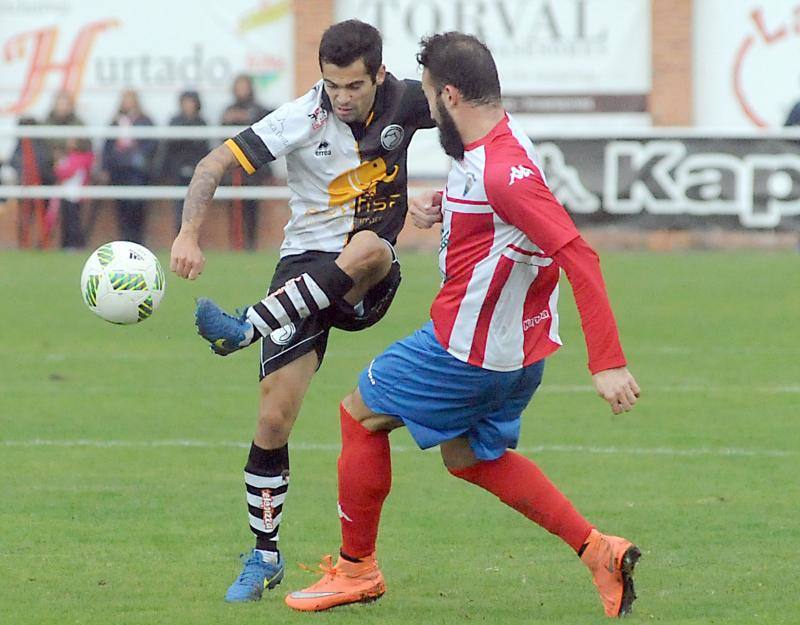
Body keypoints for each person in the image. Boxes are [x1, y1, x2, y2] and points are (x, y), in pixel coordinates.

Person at [284, 32, 642, 618]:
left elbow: (577, 253)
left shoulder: (502, 171)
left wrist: (607, 362)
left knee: (359, 415)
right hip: (520, 356)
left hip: (464, 351)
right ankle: (597, 551)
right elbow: (501, 216)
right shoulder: (493, 144)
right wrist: (443, 206)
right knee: (469, 458)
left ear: (449, 94)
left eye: (428, 96)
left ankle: (356, 569)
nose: (425, 109)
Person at [169, 19, 435, 602]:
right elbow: (211, 166)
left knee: (369, 249)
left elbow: (474, 123)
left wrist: (449, 197)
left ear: (380, 77)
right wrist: (189, 234)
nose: (341, 98)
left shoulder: (411, 100)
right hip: (302, 268)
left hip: (369, 270)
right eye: (332, 85)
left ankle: (246, 324)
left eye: (354, 87)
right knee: (272, 419)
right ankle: (264, 557)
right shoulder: (301, 117)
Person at [221, 74, 273, 249]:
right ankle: (235, 244)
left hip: (254, 167)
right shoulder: (228, 109)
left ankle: (250, 244)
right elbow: (222, 135)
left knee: (252, 207)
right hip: (234, 168)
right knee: (233, 208)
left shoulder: (258, 109)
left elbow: (269, 120)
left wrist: (247, 117)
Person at [101, 89, 156, 244]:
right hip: (119, 171)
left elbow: (151, 146)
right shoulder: (115, 122)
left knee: (137, 207)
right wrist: (105, 167)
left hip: (138, 172)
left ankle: (138, 242)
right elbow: (108, 146)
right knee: (121, 208)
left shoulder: (145, 121)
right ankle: (125, 241)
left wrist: (137, 156)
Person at [155, 90, 210, 233]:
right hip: (177, 169)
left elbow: (203, 147)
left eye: (191, 102)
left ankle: (192, 238)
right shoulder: (175, 122)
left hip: (196, 168)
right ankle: (179, 237)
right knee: (179, 206)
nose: (188, 105)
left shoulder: (202, 123)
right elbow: (169, 147)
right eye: (185, 102)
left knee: (196, 205)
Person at [45, 91, 91, 248]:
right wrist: (55, 159)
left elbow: (85, 147)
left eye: (65, 104)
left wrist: (69, 152)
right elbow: (43, 148)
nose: (62, 107)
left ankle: (73, 243)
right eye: (60, 103)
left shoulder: (78, 123)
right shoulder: (47, 123)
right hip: (50, 173)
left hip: (73, 174)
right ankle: (50, 241)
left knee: (72, 208)